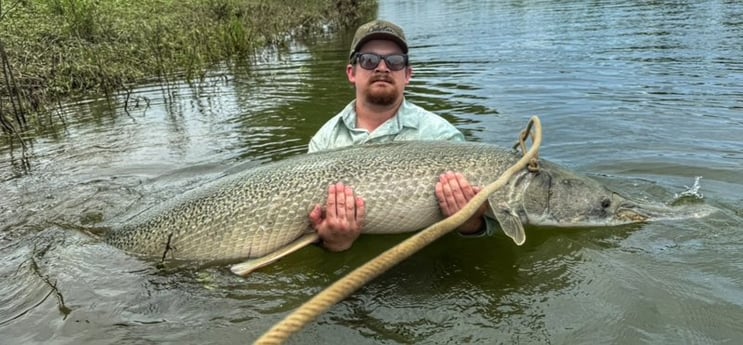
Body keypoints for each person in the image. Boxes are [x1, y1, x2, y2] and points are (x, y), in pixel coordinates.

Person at [308, 19, 490, 252]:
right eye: (369, 60)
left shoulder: (443, 136)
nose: (382, 68)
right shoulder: (323, 142)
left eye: (394, 62)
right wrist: (332, 243)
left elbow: (484, 233)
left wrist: (471, 224)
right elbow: (311, 227)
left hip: (426, 270)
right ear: (352, 73)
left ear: (407, 75)